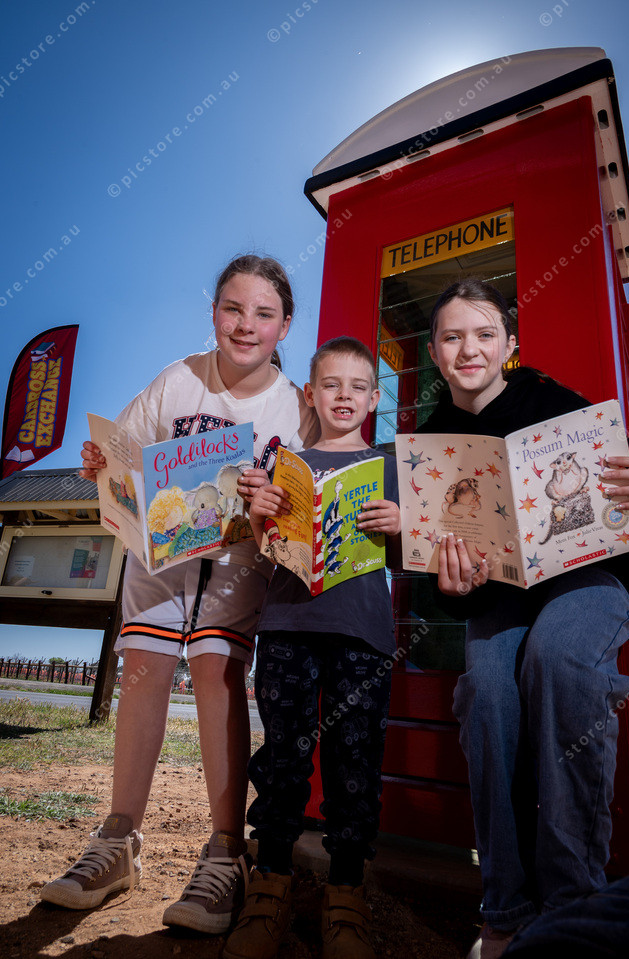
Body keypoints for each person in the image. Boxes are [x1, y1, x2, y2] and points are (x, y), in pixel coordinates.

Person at [40, 255, 318, 937]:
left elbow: (309, 499)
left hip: (236, 562)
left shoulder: (296, 406)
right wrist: (100, 463)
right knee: (143, 668)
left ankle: (226, 851)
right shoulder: (178, 378)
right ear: (213, 312)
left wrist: (273, 500)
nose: (245, 324)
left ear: (285, 325)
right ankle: (118, 838)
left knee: (219, 673)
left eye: (263, 313)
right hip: (160, 554)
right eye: (232, 308)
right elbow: (124, 451)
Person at [418, 278, 629, 959]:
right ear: (433, 351)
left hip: (590, 578)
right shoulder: (427, 441)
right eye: (452, 336)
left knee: (559, 657)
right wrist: (453, 585)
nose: (469, 349)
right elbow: (439, 584)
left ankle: (571, 905)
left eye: (484, 334)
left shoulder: (554, 400)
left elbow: (620, 477)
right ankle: (506, 909)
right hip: (501, 595)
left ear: (509, 344)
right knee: (487, 689)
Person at [223, 336, 401, 959]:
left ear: (374, 398)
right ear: (310, 394)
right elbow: (262, 543)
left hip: (363, 636)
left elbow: (418, 552)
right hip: (287, 627)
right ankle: (269, 884)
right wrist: (258, 513)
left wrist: (402, 526)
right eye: (331, 384)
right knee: (283, 762)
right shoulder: (285, 463)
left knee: (356, 767)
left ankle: (345, 891)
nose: (344, 396)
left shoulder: (391, 466)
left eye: (358, 387)